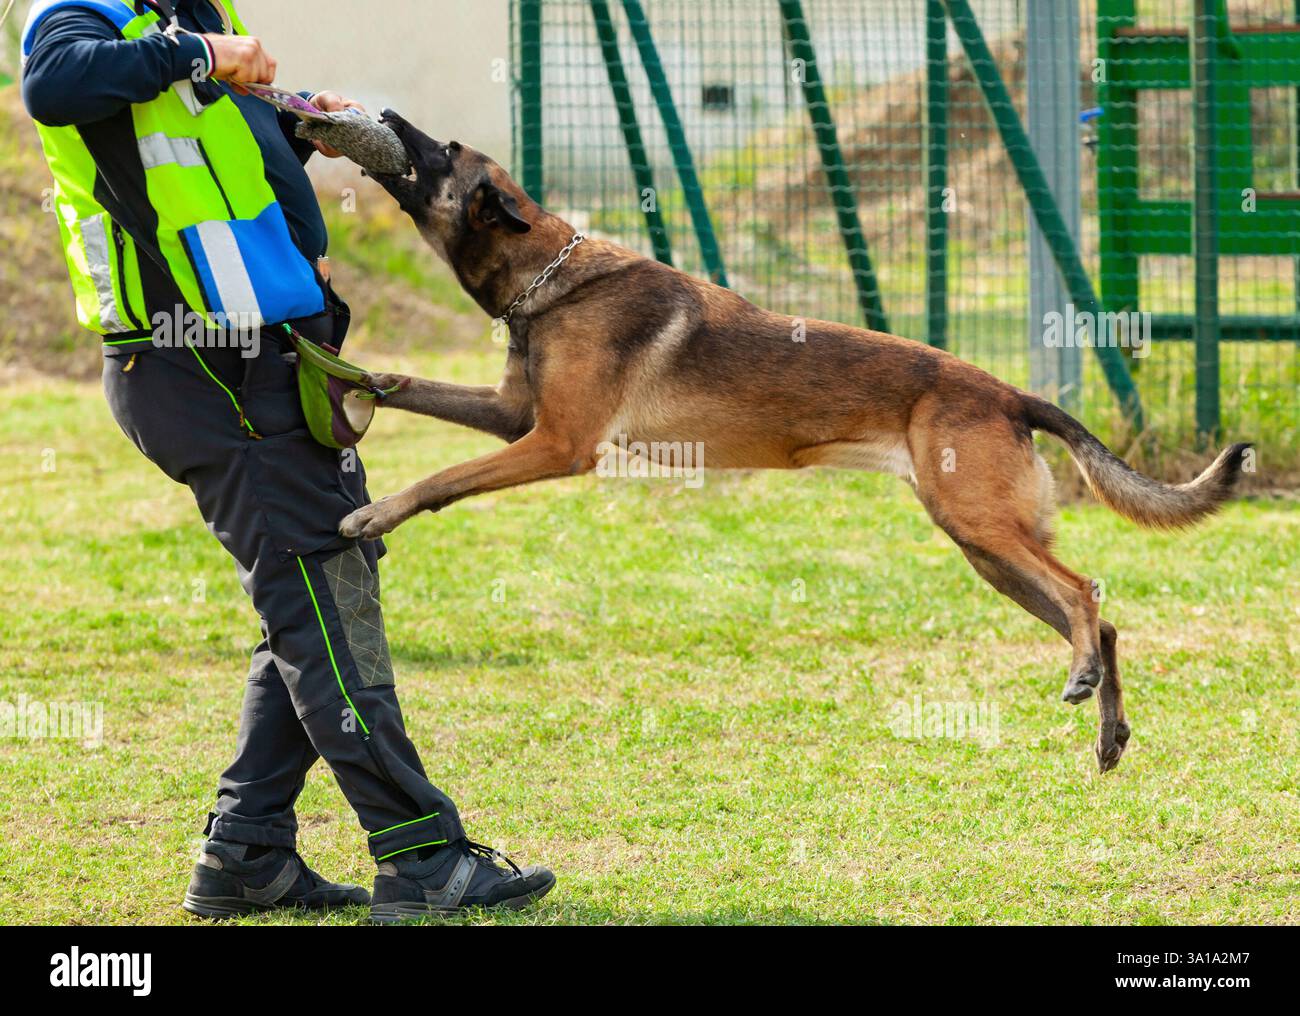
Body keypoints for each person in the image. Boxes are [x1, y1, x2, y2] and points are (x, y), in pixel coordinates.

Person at [21, 0, 553, 921]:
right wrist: (203, 51)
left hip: (265, 354)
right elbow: (54, 85)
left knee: (316, 593)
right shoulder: (90, 9)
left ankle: (246, 854)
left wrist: (306, 132)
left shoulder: (188, 11)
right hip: (200, 365)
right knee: (321, 597)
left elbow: (216, 168)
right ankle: (422, 857)